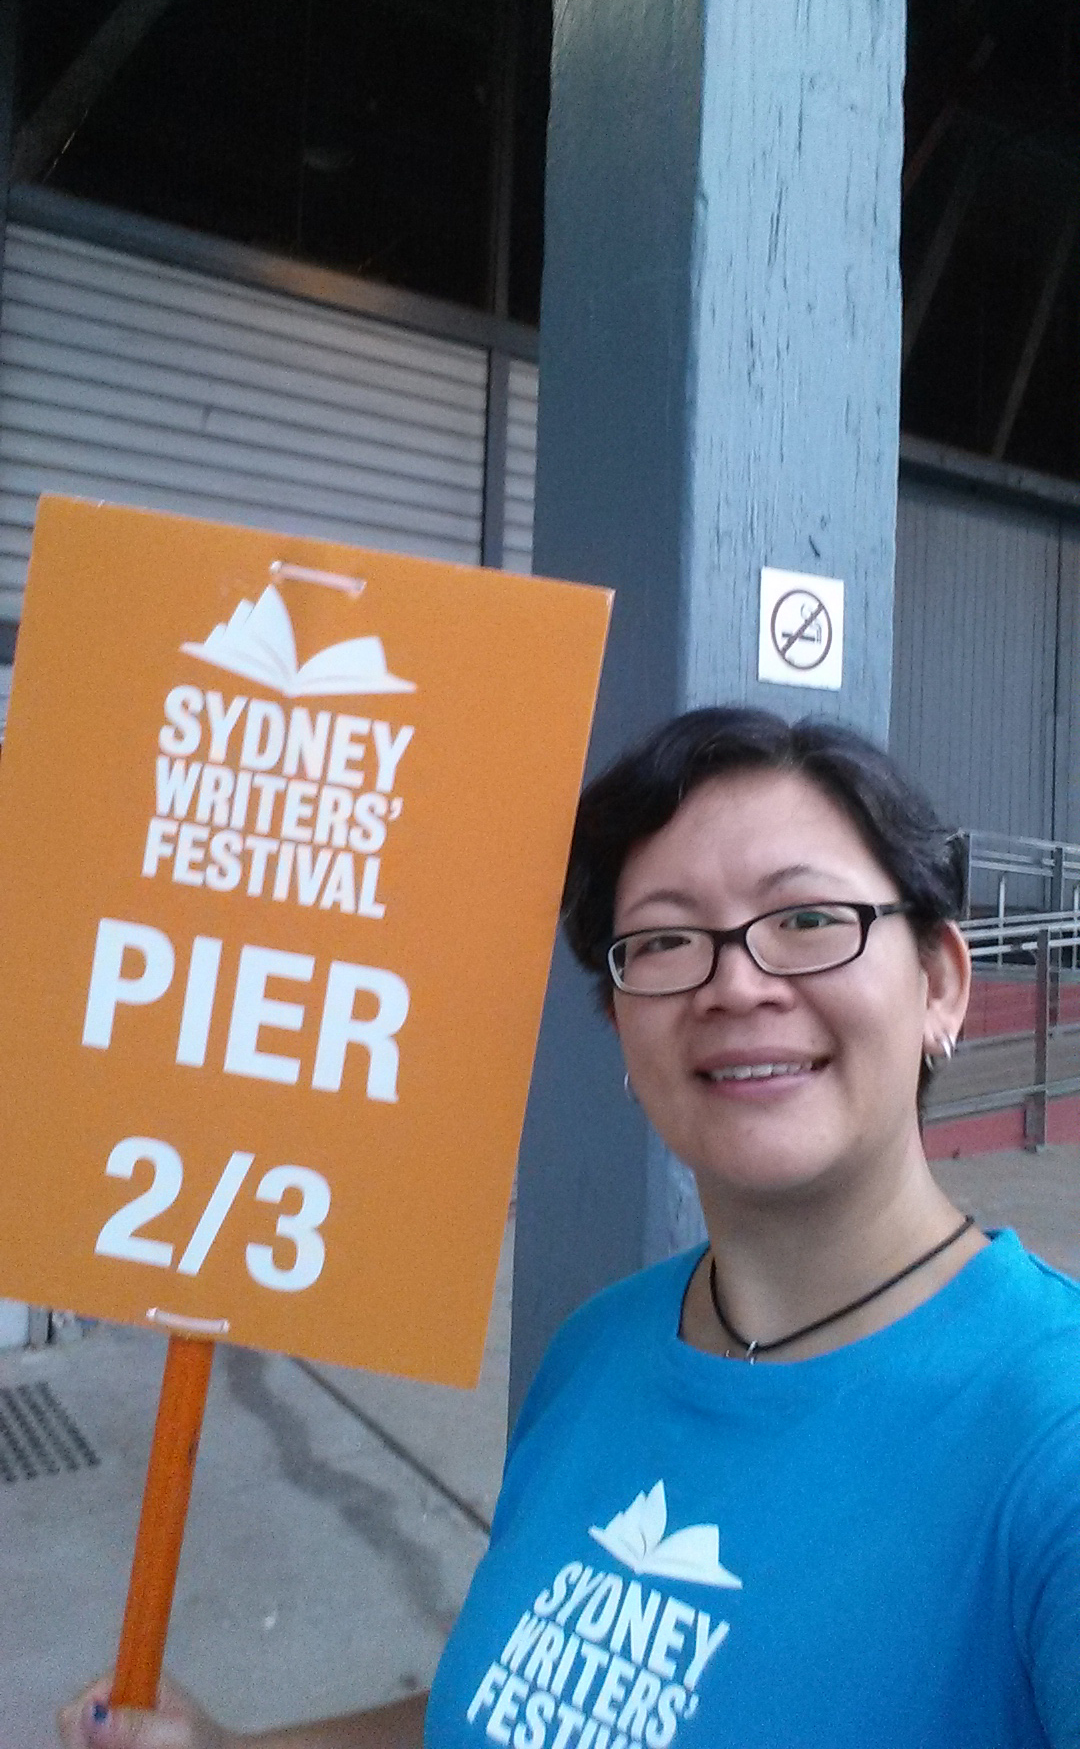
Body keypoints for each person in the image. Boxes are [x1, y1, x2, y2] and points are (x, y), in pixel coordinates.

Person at [59, 707, 1080, 1749]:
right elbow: (525, 1710)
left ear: (942, 983)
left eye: (808, 920)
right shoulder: (601, 1345)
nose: (736, 984)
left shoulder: (1053, 1435)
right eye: (666, 940)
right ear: (620, 1030)